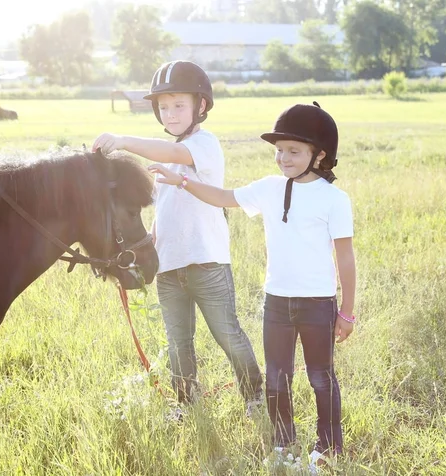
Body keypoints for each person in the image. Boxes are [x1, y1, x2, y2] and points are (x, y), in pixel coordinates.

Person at [148, 102, 356, 464]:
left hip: (318, 304)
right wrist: (182, 180)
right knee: (276, 379)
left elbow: (346, 258)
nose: (283, 158)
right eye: (279, 151)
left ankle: (328, 448)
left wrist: (348, 311)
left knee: (321, 378)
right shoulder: (269, 188)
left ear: (319, 155)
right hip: (276, 303)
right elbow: (223, 198)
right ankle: (283, 443)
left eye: (294, 151)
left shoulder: (335, 200)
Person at [92, 60, 263, 411]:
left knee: (227, 335)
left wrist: (122, 141)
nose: (170, 114)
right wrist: (151, 240)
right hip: (169, 265)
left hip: (207, 262)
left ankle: (255, 397)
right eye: (163, 107)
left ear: (201, 106)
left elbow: (171, 152)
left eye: (178, 106)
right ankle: (186, 403)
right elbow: (167, 207)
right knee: (178, 342)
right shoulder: (167, 158)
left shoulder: (203, 144)